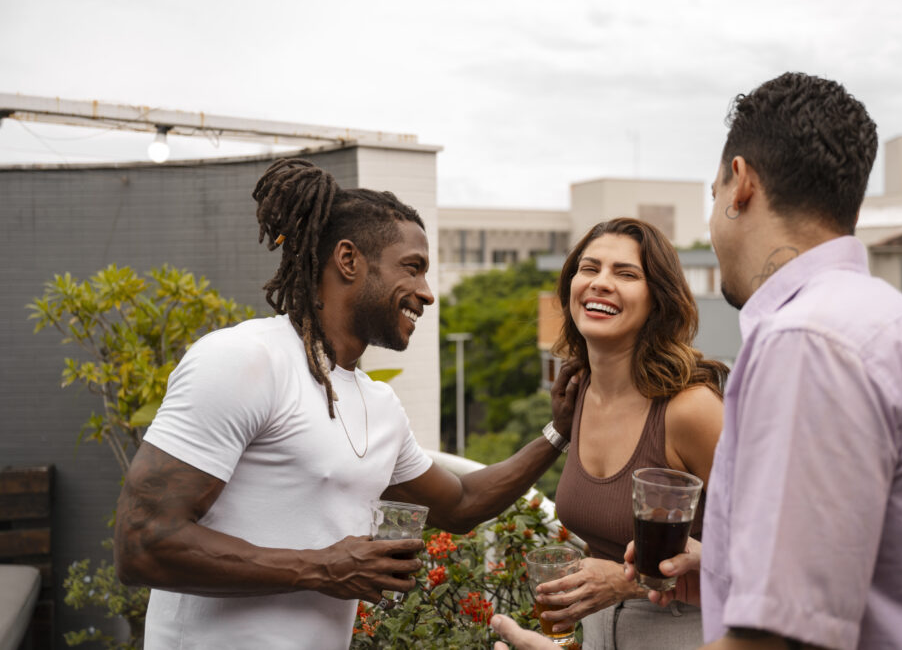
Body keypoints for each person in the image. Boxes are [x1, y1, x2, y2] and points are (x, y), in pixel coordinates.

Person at [495, 72, 902, 650]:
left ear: (739, 184)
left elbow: (777, 640)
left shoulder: (806, 343)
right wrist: (713, 572)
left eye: (713, 197)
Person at [113, 158, 580, 650]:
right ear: (349, 259)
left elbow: (460, 505)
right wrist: (321, 568)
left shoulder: (379, 405)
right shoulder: (245, 359)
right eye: (413, 268)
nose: (426, 293)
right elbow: (143, 543)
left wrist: (557, 432)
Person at [533, 218, 726, 649]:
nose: (601, 283)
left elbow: (780, 547)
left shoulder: (690, 409)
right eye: (589, 268)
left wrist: (631, 583)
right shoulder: (579, 393)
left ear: (658, 300)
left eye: (626, 274)